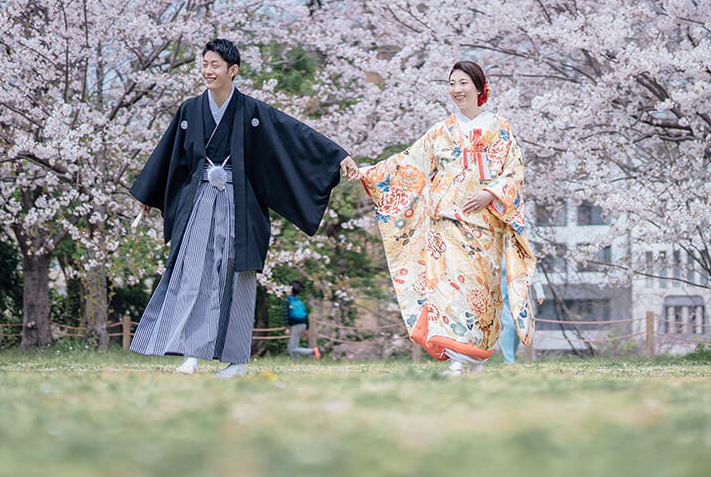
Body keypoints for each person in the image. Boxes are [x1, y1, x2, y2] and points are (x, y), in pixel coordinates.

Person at [128, 39, 358, 377]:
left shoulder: (251, 112)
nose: (208, 71)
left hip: (239, 204)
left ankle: (237, 362)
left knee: (239, 277)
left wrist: (338, 155)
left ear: (232, 70)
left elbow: (294, 134)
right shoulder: (190, 110)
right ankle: (190, 354)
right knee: (193, 273)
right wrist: (148, 196)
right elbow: (169, 156)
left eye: (215, 65)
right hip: (200, 201)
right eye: (205, 63)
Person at [361, 62, 536, 376]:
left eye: (464, 82)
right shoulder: (440, 132)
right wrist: (367, 173)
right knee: (448, 289)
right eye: (452, 83)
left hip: (485, 226)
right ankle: (458, 360)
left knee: (483, 293)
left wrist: (492, 194)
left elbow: (514, 171)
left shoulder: (499, 127)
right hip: (445, 226)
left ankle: (474, 358)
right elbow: (408, 165)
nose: (457, 89)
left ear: (479, 87)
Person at [286, 281, 319, 360]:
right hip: (302, 325)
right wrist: (306, 328)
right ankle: (296, 362)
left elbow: (285, 314)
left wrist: (287, 327)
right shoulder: (298, 301)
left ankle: (312, 351)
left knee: (291, 348)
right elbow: (305, 314)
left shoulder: (287, 300)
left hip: (295, 325)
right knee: (294, 346)